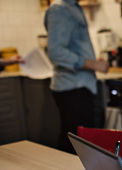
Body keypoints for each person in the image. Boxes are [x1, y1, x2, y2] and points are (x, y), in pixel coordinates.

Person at [44, 0, 109, 153]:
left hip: (80, 85)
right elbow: (56, 51)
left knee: (82, 142)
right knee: (75, 144)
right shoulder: (60, 9)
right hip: (72, 87)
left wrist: (92, 61)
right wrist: (91, 64)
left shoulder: (74, 7)